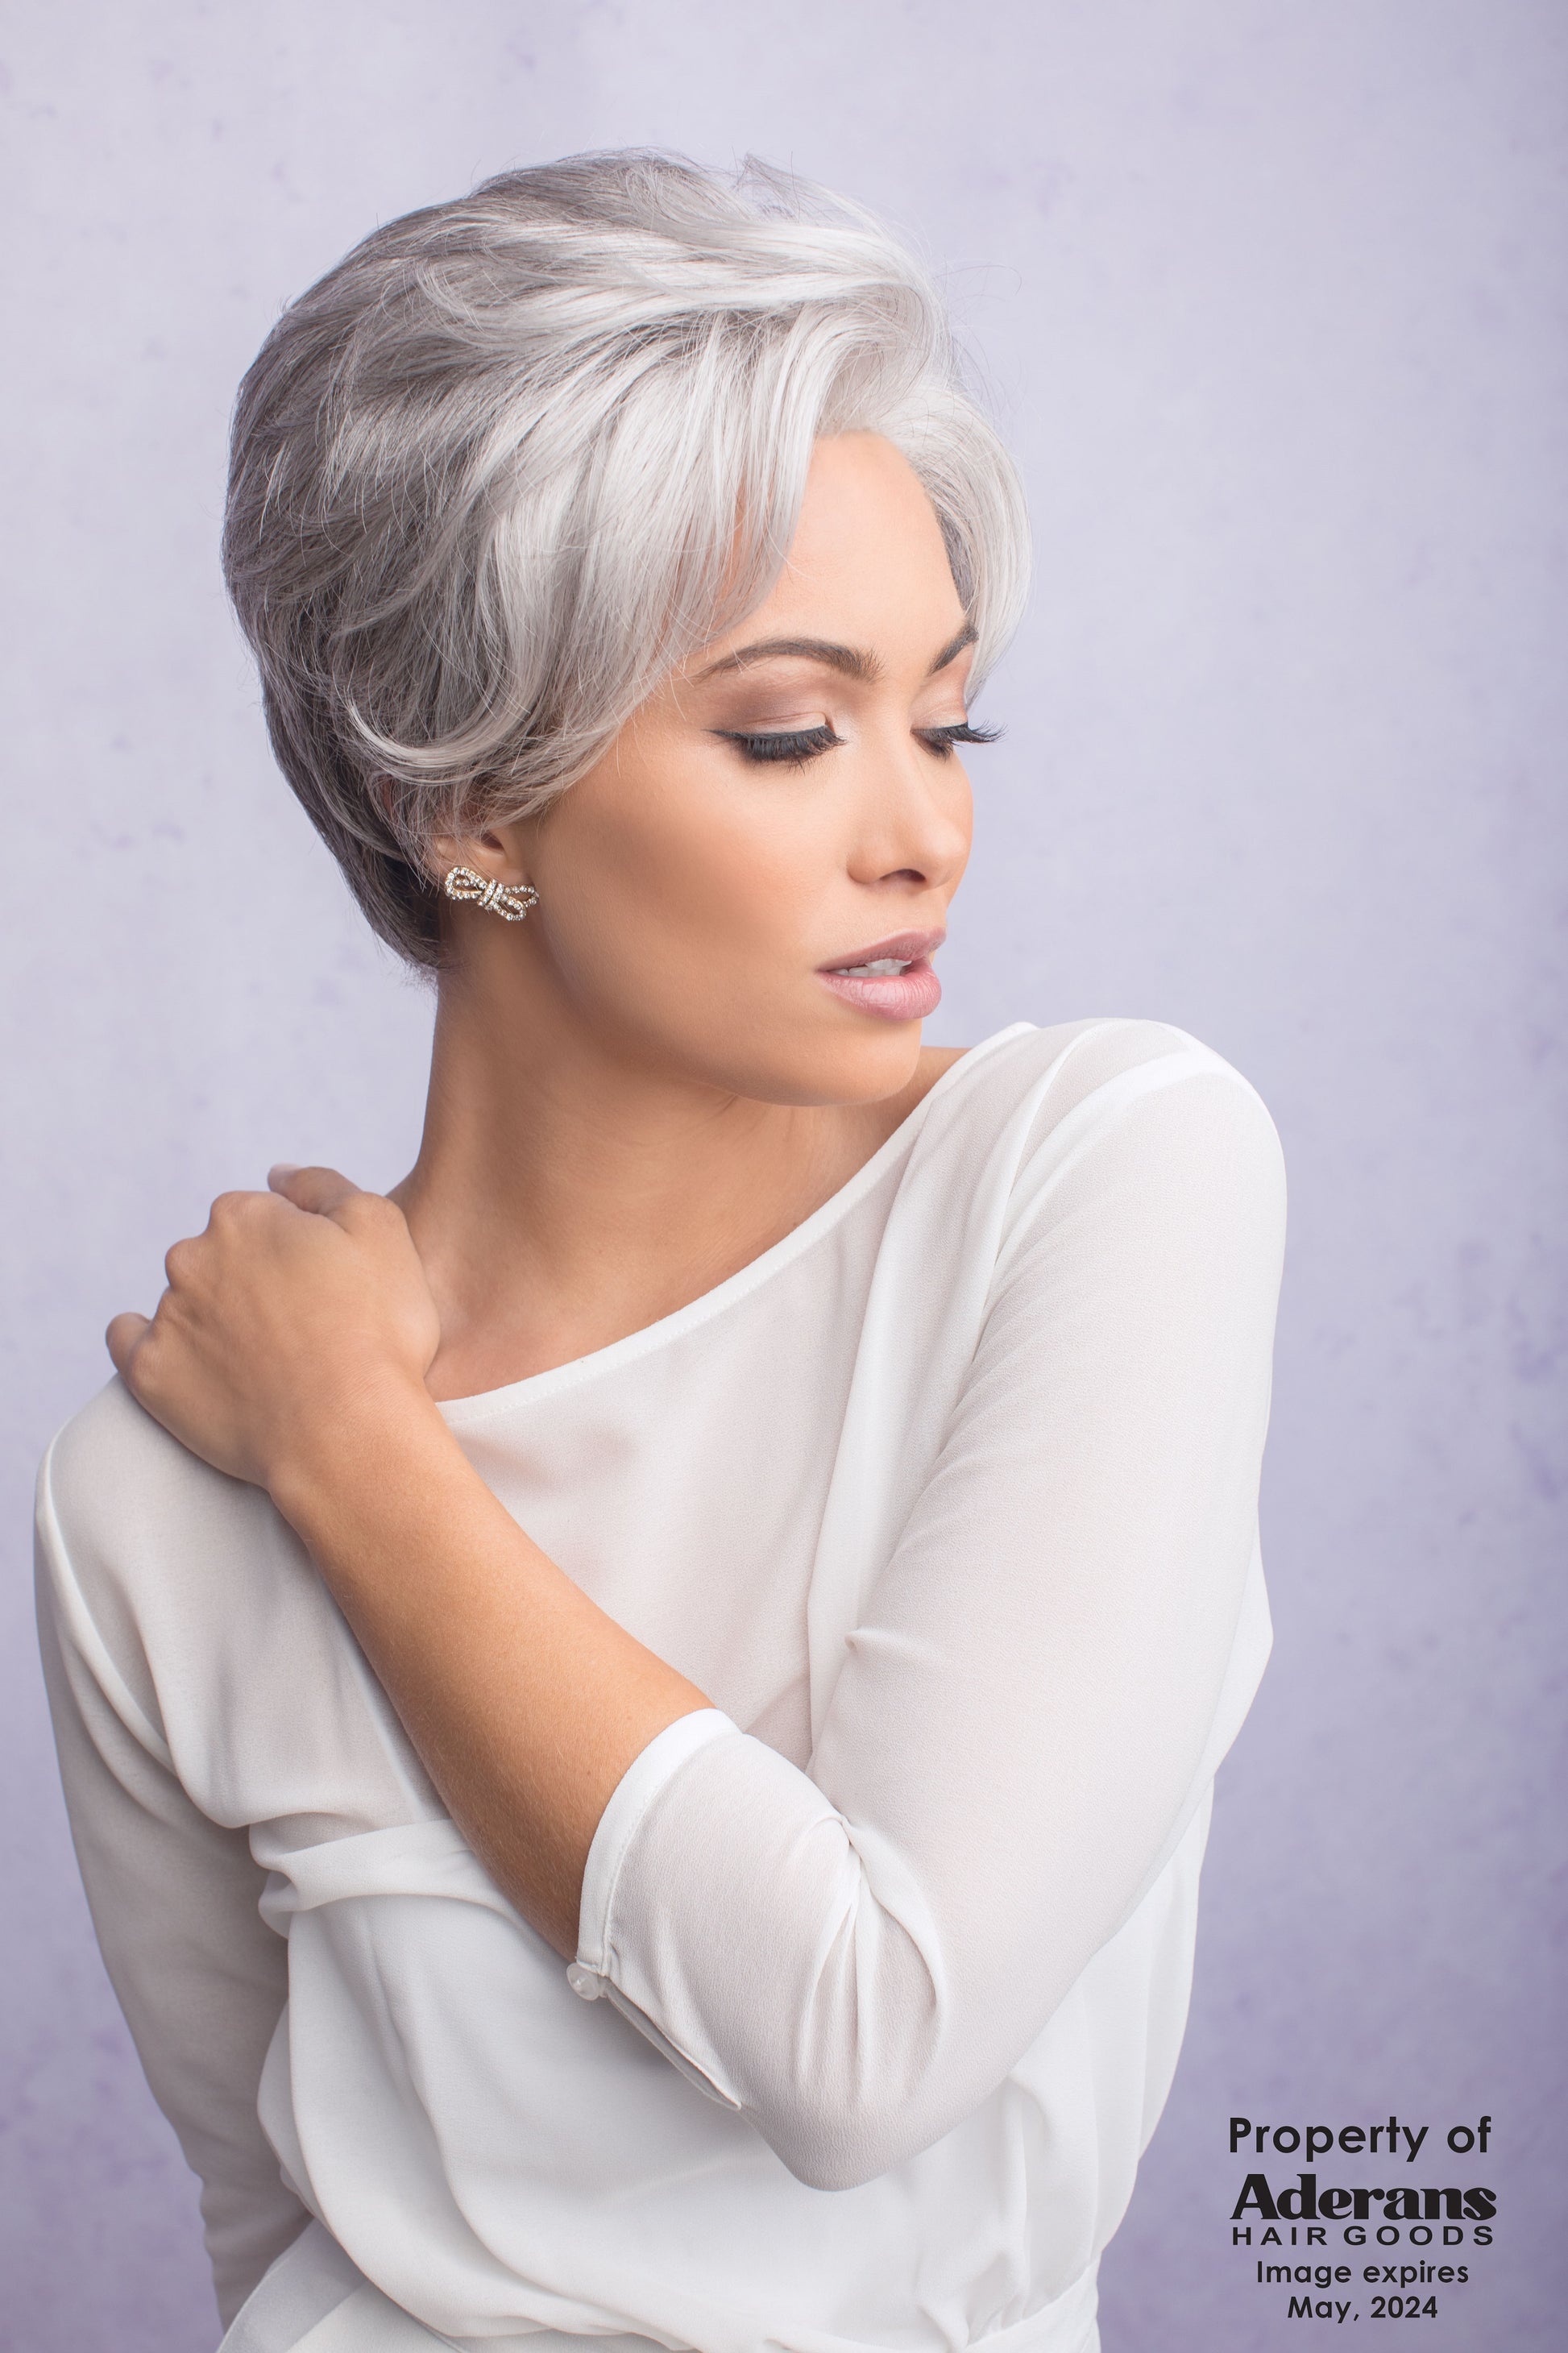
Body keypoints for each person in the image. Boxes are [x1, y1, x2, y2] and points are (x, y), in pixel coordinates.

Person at [35, 151, 1286, 2353]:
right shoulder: (149, 1486)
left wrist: (355, 1447)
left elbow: (866, 2039)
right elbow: (270, 2229)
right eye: (791, 734)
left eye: (947, 717)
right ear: (464, 800)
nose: (925, 827)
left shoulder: (1099, 1177)